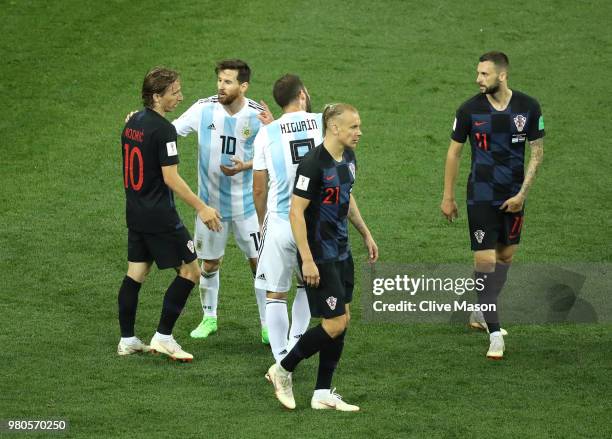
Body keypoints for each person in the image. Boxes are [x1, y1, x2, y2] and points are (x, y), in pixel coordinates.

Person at [266, 103, 378, 411]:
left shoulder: (349, 158)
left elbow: (347, 195)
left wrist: (365, 233)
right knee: (334, 323)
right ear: (334, 128)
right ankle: (283, 368)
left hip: (341, 250)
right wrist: (308, 259)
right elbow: (296, 212)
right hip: (320, 253)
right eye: (354, 126)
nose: (359, 132)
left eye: (359, 126)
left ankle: (322, 393)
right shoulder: (312, 164)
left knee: (343, 319)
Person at [440, 51, 545, 360]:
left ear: (502, 75)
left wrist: (522, 195)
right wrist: (448, 196)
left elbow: (537, 153)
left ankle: (480, 309)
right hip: (481, 196)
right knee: (485, 263)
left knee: (505, 257)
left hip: (514, 196)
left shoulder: (528, 107)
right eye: (478, 73)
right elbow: (454, 153)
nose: (478, 79)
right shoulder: (469, 110)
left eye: (484, 74)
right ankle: (495, 332)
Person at [117, 67, 222, 362]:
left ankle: (127, 340)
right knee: (190, 271)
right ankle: (163, 337)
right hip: (160, 216)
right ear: (156, 96)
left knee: (136, 273)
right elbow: (171, 179)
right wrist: (202, 207)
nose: (180, 96)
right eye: (174, 92)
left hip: (135, 211)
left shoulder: (132, 122)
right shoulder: (164, 131)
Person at [172, 59, 272, 342]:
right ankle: (209, 317)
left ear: (243, 86)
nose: (220, 86)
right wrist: (142, 124)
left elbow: (274, 153)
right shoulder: (204, 109)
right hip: (210, 207)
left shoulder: (257, 116)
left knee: (258, 263)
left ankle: (266, 324)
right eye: (219, 80)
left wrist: (245, 165)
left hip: (247, 208)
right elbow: (171, 130)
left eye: (228, 82)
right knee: (210, 264)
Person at [252, 74, 322, 364]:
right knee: (308, 283)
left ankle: (281, 358)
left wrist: (261, 222)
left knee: (275, 293)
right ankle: (296, 341)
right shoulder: (322, 122)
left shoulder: (266, 134)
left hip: (281, 219)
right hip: (315, 219)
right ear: (303, 94)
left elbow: (259, 187)